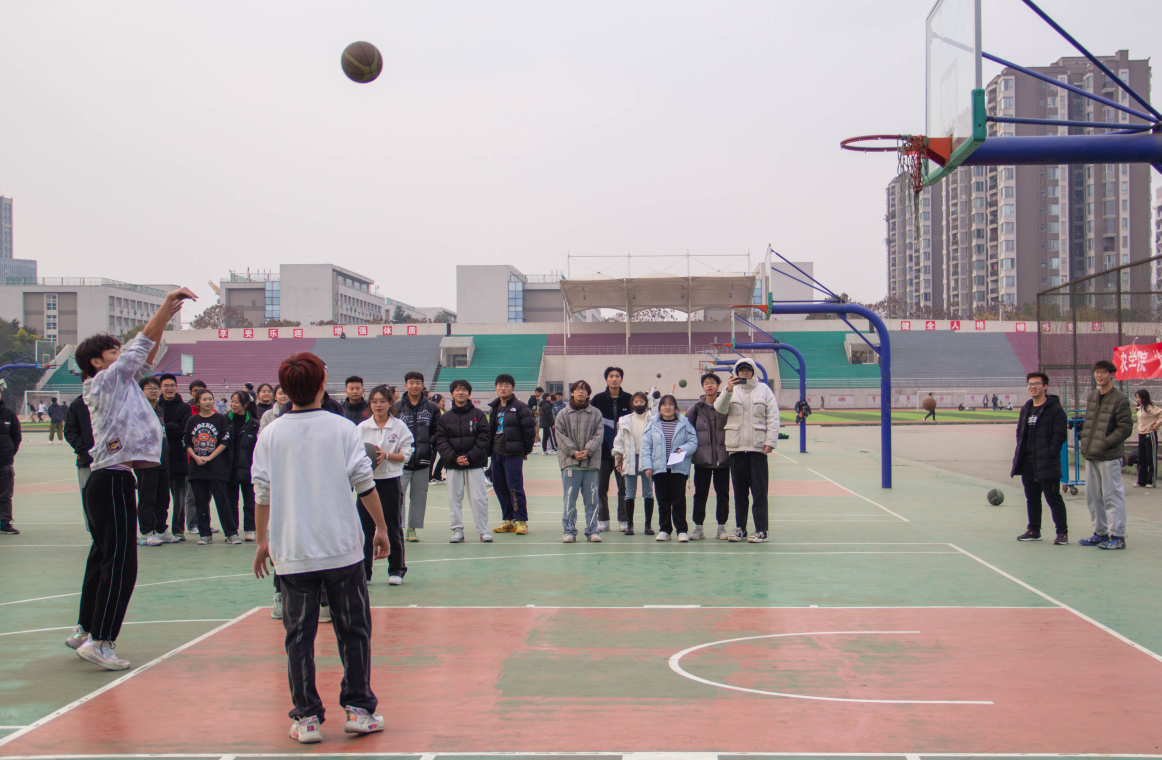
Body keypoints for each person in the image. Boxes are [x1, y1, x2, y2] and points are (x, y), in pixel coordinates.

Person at [251, 351, 388, 744]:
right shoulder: (343, 428)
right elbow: (364, 482)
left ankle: (307, 717)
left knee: (298, 636)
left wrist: (261, 541)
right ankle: (359, 710)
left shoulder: (270, 434)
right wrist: (381, 528)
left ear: (283, 388)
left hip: (293, 550)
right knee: (354, 630)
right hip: (342, 547)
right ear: (322, 384)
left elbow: (262, 493)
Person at [65, 286, 193, 670]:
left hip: (105, 480)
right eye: (113, 352)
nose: (121, 355)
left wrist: (163, 321)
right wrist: (166, 308)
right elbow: (142, 344)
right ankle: (102, 641)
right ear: (97, 362)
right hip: (113, 480)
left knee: (103, 555)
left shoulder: (115, 382)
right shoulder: (107, 380)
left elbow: (144, 354)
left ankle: (85, 629)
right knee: (122, 563)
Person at [714, 358, 778, 544]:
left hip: (757, 448)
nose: (744, 373)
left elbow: (773, 416)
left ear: (753, 372)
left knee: (759, 492)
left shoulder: (764, 390)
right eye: (741, 370)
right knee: (739, 492)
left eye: (747, 370)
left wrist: (770, 441)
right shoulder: (731, 390)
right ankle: (740, 529)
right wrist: (728, 390)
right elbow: (720, 409)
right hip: (737, 448)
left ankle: (761, 530)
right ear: (736, 373)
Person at [358, 384, 414, 585]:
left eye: (382, 401)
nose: (378, 405)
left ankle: (397, 570)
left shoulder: (399, 427)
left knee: (393, 526)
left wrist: (386, 456)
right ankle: (364, 572)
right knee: (365, 528)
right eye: (374, 401)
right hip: (366, 483)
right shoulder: (362, 428)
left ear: (391, 403)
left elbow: (406, 455)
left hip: (390, 481)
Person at [1077, 360, 1133, 550]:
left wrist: (1105, 443)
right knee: (1093, 497)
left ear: (1112, 374)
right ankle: (1100, 533)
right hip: (1091, 455)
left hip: (1109, 457)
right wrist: (1085, 439)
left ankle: (1118, 536)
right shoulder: (1092, 396)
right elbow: (1089, 423)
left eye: (1103, 372)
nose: (1099, 375)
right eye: (1096, 372)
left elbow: (1125, 428)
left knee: (1112, 496)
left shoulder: (1120, 399)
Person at [1011, 372, 1069, 544]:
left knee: (1053, 498)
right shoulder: (1026, 408)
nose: (1033, 387)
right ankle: (1033, 530)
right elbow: (1020, 432)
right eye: (1030, 384)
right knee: (1032, 498)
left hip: (1046, 462)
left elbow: (1060, 435)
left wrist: (1050, 453)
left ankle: (1062, 532)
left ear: (1045, 386)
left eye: (1036, 384)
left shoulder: (1055, 410)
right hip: (1028, 462)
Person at [433, 379, 492, 543]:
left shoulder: (479, 415)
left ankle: (483, 530)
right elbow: (441, 441)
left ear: (469, 394)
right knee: (454, 498)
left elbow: (483, 439)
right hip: (453, 465)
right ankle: (457, 530)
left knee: (479, 498)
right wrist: (454, 458)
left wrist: (470, 457)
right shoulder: (445, 418)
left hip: (475, 464)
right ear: (452, 393)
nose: (460, 392)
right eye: (457, 390)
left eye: (464, 390)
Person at [184, 388, 238, 545]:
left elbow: (225, 440)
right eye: (204, 399)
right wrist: (196, 457)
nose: (208, 402)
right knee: (200, 503)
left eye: (210, 399)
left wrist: (210, 457)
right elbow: (186, 442)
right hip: (197, 469)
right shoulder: (192, 420)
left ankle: (231, 533)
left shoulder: (220, 418)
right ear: (198, 402)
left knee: (223, 502)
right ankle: (205, 534)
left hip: (217, 468)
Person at [641, 394, 697, 542]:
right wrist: (647, 466)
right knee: (663, 501)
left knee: (679, 500)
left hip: (678, 469)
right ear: (660, 408)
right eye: (664, 404)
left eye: (670, 404)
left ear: (675, 407)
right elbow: (646, 447)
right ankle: (665, 530)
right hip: (660, 469)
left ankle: (682, 530)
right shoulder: (652, 425)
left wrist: (682, 449)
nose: (667, 407)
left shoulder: (685, 423)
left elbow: (693, 442)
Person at [555, 379, 604, 543]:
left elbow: (599, 435)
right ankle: (569, 531)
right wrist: (573, 452)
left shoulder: (596, 414)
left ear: (589, 393)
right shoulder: (563, 414)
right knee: (569, 500)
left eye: (584, 389)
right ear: (572, 393)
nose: (581, 392)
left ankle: (592, 530)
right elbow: (560, 436)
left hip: (591, 465)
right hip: (570, 464)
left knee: (592, 500)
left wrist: (588, 451)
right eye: (577, 389)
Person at [489, 374, 537, 536]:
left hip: (513, 453)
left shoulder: (521, 407)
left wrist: (526, 450)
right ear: (496, 388)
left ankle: (521, 520)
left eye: (507, 385)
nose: (503, 388)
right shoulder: (494, 407)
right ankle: (508, 520)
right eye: (500, 385)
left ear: (513, 388)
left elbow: (529, 431)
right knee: (499, 487)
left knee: (515, 487)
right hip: (496, 452)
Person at [396, 372, 440, 543]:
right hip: (401, 461)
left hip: (423, 460)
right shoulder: (396, 407)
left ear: (423, 385)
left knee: (419, 497)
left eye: (418, 382)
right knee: (398, 496)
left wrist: (429, 444)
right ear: (405, 385)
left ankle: (412, 529)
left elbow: (438, 430)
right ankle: (397, 528)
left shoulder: (432, 408)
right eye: (411, 382)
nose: (414, 386)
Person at [686, 374, 730, 540]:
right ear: (703, 387)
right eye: (706, 383)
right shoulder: (696, 409)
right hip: (702, 460)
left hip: (723, 459)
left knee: (723, 494)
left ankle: (721, 528)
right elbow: (686, 430)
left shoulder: (726, 405)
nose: (709, 385)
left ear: (718, 386)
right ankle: (698, 528)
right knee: (700, 494)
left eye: (712, 382)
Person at [591, 367, 632, 532]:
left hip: (623, 453)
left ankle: (623, 519)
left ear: (621, 379)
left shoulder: (629, 399)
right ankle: (603, 519)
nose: (614, 379)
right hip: (602, 452)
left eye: (617, 376)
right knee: (601, 487)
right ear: (606, 379)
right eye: (611, 376)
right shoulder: (597, 400)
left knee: (624, 487)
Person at [135, 376, 173, 546]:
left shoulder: (159, 410)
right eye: (149, 388)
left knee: (163, 498)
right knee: (147, 498)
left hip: (162, 460)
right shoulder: (138, 411)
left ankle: (161, 529)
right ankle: (146, 532)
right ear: (141, 391)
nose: (154, 390)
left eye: (156, 388)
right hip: (146, 461)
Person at [612, 391, 653, 536]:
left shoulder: (653, 420)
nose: (639, 404)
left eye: (642, 401)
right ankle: (629, 524)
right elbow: (619, 441)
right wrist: (618, 460)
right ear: (632, 404)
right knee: (629, 493)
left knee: (648, 492)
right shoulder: (624, 420)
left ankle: (648, 525)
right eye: (636, 402)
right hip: (630, 458)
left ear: (646, 403)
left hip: (647, 459)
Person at [158, 374, 192, 540]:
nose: (169, 388)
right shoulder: (155, 406)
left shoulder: (185, 407)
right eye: (166, 386)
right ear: (161, 388)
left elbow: (183, 430)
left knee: (179, 499)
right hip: (158, 459)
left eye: (172, 385)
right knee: (160, 499)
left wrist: (164, 426)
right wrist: (172, 427)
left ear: (176, 387)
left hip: (179, 458)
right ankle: (159, 529)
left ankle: (178, 530)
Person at [228, 390, 260, 541]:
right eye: (232, 401)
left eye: (237, 402)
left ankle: (250, 529)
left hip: (248, 467)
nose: (233, 405)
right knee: (231, 501)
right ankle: (232, 530)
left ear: (245, 404)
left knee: (249, 501)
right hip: (229, 468)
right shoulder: (224, 420)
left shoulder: (254, 424)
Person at [64, 391, 94, 529]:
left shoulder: (110, 400)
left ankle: (109, 532)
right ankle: (93, 531)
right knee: (88, 497)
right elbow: (69, 431)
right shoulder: (77, 405)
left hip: (109, 460)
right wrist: (83, 449)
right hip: (87, 460)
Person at [0, 394, 22, 535]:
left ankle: (4, 523)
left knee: (5, 495)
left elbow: (16, 436)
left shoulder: (9, 414)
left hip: (5, 463)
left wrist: (9, 453)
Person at [1132, 389, 1160, 489]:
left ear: (1144, 397)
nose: (1138, 399)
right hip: (1141, 434)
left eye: (1139, 397)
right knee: (1141, 458)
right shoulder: (1140, 407)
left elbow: (1161, 414)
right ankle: (1141, 481)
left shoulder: (1150, 407)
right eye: (1136, 397)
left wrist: (1156, 424)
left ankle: (1151, 481)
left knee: (1150, 458)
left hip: (1150, 434)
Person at [428, 393, 447, 485]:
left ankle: (437, 474)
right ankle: (429, 477)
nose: (443, 403)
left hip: (441, 438)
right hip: (435, 438)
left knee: (444, 456)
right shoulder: (432, 411)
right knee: (432, 458)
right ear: (436, 402)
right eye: (441, 401)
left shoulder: (442, 411)